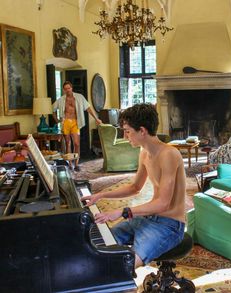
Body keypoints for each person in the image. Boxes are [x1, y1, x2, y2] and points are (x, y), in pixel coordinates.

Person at [83, 103, 186, 268]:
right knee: (100, 243)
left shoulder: (169, 154)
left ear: (142, 131)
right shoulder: (144, 153)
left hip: (170, 225)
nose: (125, 136)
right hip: (148, 218)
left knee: (124, 266)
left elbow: (163, 203)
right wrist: (101, 195)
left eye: (128, 131)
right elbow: (134, 187)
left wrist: (122, 212)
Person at [52, 81, 102, 171]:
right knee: (68, 143)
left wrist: (96, 119)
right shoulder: (61, 100)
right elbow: (53, 109)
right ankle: (70, 163)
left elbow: (88, 108)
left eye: (69, 88)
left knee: (76, 143)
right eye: (66, 89)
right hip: (65, 122)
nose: (67, 90)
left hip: (76, 122)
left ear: (72, 88)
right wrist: (57, 120)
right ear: (64, 90)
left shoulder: (79, 97)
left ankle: (77, 163)